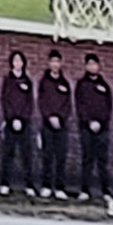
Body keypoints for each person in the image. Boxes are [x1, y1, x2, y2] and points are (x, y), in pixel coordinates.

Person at [75, 53, 113, 201]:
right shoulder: (81, 84)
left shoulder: (104, 85)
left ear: (98, 66)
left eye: (94, 64)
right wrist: (89, 122)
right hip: (86, 128)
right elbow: (79, 106)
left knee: (102, 161)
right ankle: (85, 190)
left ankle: (106, 192)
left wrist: (101, 123)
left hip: (102, 129)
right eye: (89, 64)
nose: (92, 67)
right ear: (86, 66)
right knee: (87, 160)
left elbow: (108, 107)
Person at [0, 49, 36, 197]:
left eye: (20, 60)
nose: (17, 63)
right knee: (8, 154)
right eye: (15, 60)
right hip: (10, 123)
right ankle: (4, 184)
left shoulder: (27, 81)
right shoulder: (7, 80)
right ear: (11, 63)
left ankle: (29, 185)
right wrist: (12, 119)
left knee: (27, 156)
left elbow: (29, 103)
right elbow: (5, 100)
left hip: (24, 124)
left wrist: (22, 119)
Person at [38, 49, 71, 200]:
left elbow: (67, 105)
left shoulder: (65, 83)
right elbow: (42, 102)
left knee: (60, 157)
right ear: (49, 63)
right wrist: (50, 117)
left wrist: (61, 118)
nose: (55, 64)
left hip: (62, 126)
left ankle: (59, 187)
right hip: (47, 125)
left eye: (58, 61)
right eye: (53, 61)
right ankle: (46, 186)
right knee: (47, 156)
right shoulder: (44, 82)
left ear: (61, 63)